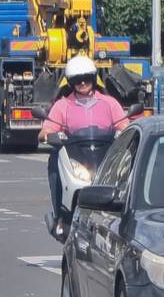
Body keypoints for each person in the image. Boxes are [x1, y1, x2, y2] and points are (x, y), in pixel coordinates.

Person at [38, 55, 129, 226]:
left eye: (86, 79)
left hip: (106, 158)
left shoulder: (110, 103)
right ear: (71, 82)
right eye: (77, 80)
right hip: (76, 158)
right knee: (54, 162)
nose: (82, 83)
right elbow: (46, 130)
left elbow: (124, 125)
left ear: (93, 79)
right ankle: (60, 216)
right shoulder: (62, 105)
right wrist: (49, 136)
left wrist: (123, 133)